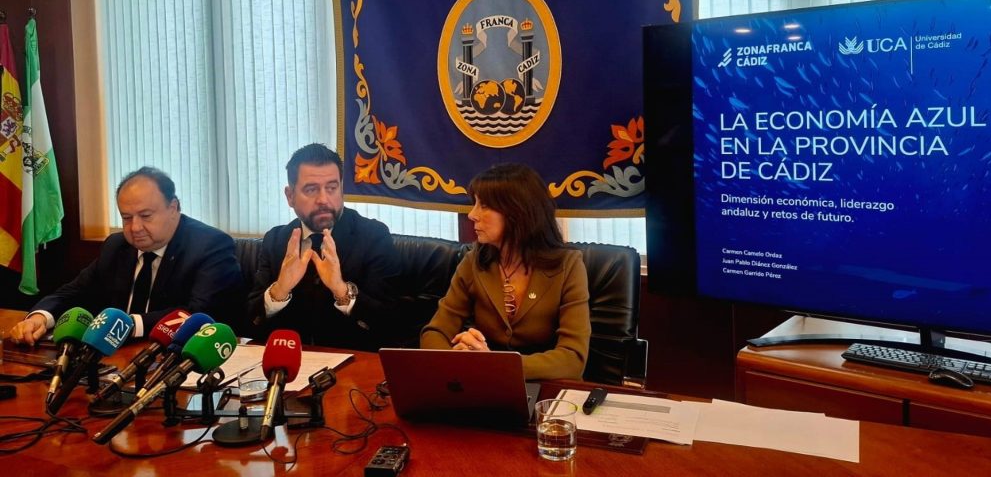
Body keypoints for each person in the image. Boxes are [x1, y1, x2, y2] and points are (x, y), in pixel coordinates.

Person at [9, 167, 243, 344]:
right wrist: (40, 317)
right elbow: (74, 292)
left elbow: (198, 314)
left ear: (173, 208)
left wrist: (125, 325)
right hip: (115, 359)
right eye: (127, 218)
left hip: (176, 359)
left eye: (145, 215)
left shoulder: (210, 246)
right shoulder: (117, 246)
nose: (135, 227)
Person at [421, 163, 590, 380]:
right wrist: (457, 360)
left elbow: (573, 359)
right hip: (484, 384)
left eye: (484, 206)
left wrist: (495, 364)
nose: (472, 215)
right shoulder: (474, 260)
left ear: (517, 213)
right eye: (474, 204)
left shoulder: (568, 265)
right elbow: (435, 332)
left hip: (546, 388)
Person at [247, 143, 401, 350]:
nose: (323, 199)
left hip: (353, 362)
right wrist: (280, 290)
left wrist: (341, 289)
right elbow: (250, 323)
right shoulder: (276, 240)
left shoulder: (373, 236)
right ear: (290, 196)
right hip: (292, 362)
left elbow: (390, 324)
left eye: (331, 188)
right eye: (311, 190)